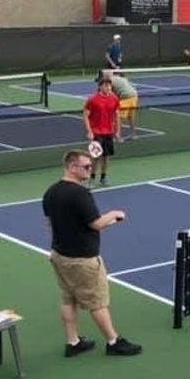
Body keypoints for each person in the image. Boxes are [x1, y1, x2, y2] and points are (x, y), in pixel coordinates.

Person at [41, 149, 142, 358]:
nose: (90, 169)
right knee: (97, 302)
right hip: (82, 259)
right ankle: (114, 341)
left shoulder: (50, 192)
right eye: (86, 166)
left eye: (91, 165)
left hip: (59, 255)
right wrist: (115, 214)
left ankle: (73, 342)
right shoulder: (80, 194)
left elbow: (49, 223)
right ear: (72, 167)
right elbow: (96, 223)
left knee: (68, 299)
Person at [83, 78, 121, 187]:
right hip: (96, 133)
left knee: (106, 156)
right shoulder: (92, 99)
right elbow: (85, 116)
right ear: (100, 87)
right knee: (95, 156)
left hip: (109, 132)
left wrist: (118, 131)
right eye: (105, 85)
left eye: (109, 85)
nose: (108, 87)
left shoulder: (114, 99)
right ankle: (91, 178)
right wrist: (89, 132)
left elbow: (117, 115)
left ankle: (103, 178)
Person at [103, 69, 138, 140]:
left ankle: (118, 136)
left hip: (125, 97)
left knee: (118, 117)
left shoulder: (109, 81)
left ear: (107, 75)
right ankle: (133, 135)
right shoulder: (121, 78)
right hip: (134, 95)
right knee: (131, 117)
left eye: (104, 75)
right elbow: (132, 86)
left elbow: (110, 94)